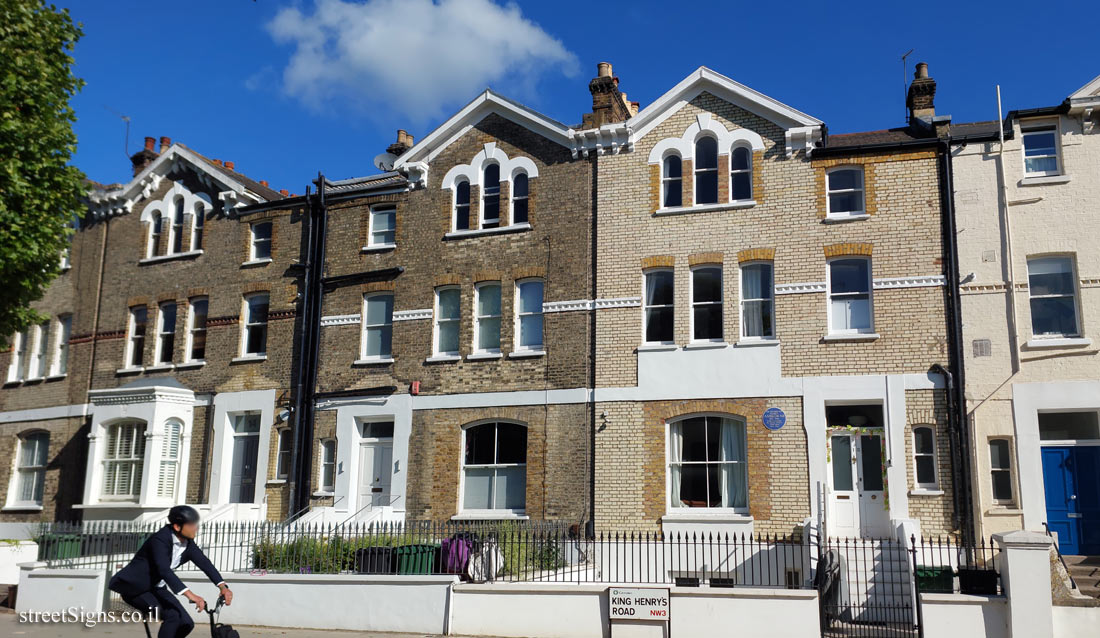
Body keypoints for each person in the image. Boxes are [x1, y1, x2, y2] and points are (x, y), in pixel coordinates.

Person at [109, 505, 234, 638]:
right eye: (191, 525)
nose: (196, 528)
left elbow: (205, 563)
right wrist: (191, 596)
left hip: (156, 587)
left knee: (187, 623)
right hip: (135, 588)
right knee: (172, 616)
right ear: (177, 527)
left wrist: (223, 587)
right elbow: (164, 570)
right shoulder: (160, 540)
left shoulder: (188, 543)